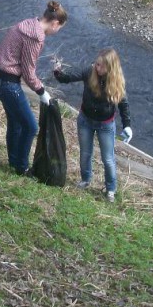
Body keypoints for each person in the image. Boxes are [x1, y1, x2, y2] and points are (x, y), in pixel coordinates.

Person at [0, 0, 68, 175]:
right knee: (31, 127)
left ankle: (13, 162)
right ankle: (22, 168)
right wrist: (42, 91)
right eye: (59, 28)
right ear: (55, 23)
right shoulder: (36, 37)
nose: (57, 31)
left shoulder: (28, 23)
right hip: (7, 83)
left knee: (16, 123)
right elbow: (28, 72)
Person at [53, 48, 132, 202]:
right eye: (97, 64)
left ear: (111, 68)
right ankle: (85, 179)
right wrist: (58, 72)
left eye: (102, 66)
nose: (98, 68)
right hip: (85, 121)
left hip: (106, 125)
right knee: (85, 153)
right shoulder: (90, 72)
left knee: (108, 159)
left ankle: (110, 189)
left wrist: (127, 125)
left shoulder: (117, 82)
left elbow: (124, 105)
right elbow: (68, 78)